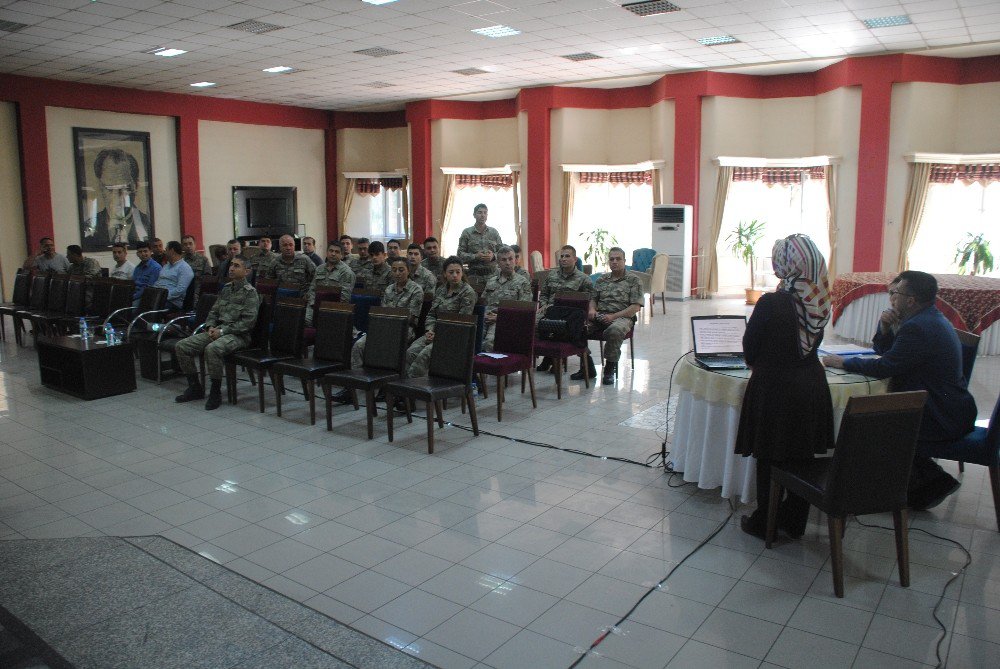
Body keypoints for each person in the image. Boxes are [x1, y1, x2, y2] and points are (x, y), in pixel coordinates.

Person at [823, 270, 977, 510]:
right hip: (951, 407)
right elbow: (891, 354)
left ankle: (928, 482)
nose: (891, 298)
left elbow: (885, 366)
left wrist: (843, 362)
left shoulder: (919, 328)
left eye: (895, 293)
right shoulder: (927, 318)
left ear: (911, 300)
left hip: (940, 415)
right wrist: (885, 328)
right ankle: (917, 483)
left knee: (868, 423)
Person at [737, 234, 835, 540]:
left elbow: (750, 348)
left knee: (769, 457)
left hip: (774, 389)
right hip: (812, 386)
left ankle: (764, 521)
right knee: (801, 455)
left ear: (787, 263)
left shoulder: (772, 302)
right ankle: (794, 522)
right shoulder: (821, 299)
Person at [333, 257, 425, 405]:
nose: (397, 273)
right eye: (394, 270)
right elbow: (382, 312)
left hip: (404, 329)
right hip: (384, 327)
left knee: (386, 346)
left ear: (408, 271)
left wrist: (389, 324)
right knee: (359, 345)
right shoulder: (389, 289)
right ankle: (352, 388)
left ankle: (385, 386)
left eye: (401, 270)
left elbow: (411, 317)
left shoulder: (416, 290)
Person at [174, 256, 260, 410]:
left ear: (246, 271)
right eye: (231, 265)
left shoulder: (250, 293)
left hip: (239, 336)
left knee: (212, 349)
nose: (231, 268)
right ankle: (195, 387)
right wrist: (210, 327)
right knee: (182, 346)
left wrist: (222, 331)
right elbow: (213, 312)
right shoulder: (226, 289)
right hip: (217, 331)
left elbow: (247, 323)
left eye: (237, 266)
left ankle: (215, 391)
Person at [574, 247, 642, 384]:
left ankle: (610, 369)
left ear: (624, 261)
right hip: (600, 315)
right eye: (612, 259)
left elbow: (635, 307)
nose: (615, 262)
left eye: (618, 259)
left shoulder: (633, 280)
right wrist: (592, 309)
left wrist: (613, 316)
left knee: (614, 331)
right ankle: (587, 365)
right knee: (575, 327)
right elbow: (593, 299)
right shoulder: (601, 279)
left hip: (623, 317)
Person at [405, 256, 477, 378]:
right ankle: (404, 389)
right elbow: (432, 314)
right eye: (451, 272)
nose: (455, 275)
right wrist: (429, 331)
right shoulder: (441, 290)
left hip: (456, 337)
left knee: (424, 355)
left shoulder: (467, 292)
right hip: (435, 334)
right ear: (444, 274)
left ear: (462, 273)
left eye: (458, 272)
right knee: (410, 352)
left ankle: (410, 387)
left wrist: (438, 335)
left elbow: (461, 322)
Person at [536, 245, 593, 372]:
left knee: (562, 327)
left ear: (575, 259)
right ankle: (548, 355)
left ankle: (555, 358)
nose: (563, 259)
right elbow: (544, 294)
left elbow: (588, 301)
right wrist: (543, 305)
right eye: (562, 256)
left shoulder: (584, 279)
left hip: (569, 315)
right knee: (533, 322)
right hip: (549, 311)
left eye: (567, 256)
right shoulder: (552, 275)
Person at [81, 148, 151, 251]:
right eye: (109, 189)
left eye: (123, 189)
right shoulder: (89, 228)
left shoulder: (148, 226)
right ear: (100, 186)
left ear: (135, 186)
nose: (116, 197)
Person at [481, 245, 531, 352]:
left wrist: (500, 317)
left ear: (515, 260)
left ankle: (490, 367)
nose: (507, 263)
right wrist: (484, 315)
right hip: (486, 319)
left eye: (510, 259)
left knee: (488, 343)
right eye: (503, 260)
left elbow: (525, 312)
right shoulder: (491, 281)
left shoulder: (522, 282)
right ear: (498, 263)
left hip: (506, 321)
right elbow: (483, 303)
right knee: (469, 338)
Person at [306, 241, 355, 325]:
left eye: (337, 252)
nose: (333, 254)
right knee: (302, 319)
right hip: (315, 306)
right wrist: (313, 305)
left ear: (342, 255)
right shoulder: (319, 269)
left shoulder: (346, 272)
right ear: (327, 252)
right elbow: (312, 290)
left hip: (335, 309)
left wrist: (325, 309)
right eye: (331, 251)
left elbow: (344, 299)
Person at [457, 203, 503, 277]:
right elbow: (460, 254)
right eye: (480, 212)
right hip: (474, 275)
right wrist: (475, 256)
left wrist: (493, 256)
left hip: (493, 275)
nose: (483, 215)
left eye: (485, 213)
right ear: (474, 215)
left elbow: (502, 252)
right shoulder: (467, 232)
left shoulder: (494, 232)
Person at [153, 240, 194, 310]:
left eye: (166, 250)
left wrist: (162, 297)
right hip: (158, 297)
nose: (164, 252)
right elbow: (158, 282)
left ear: (171, 251)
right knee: (142, 304)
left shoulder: (184, 268)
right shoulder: (166, 266)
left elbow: (179, 290)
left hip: (172, 302)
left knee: (151, 308)